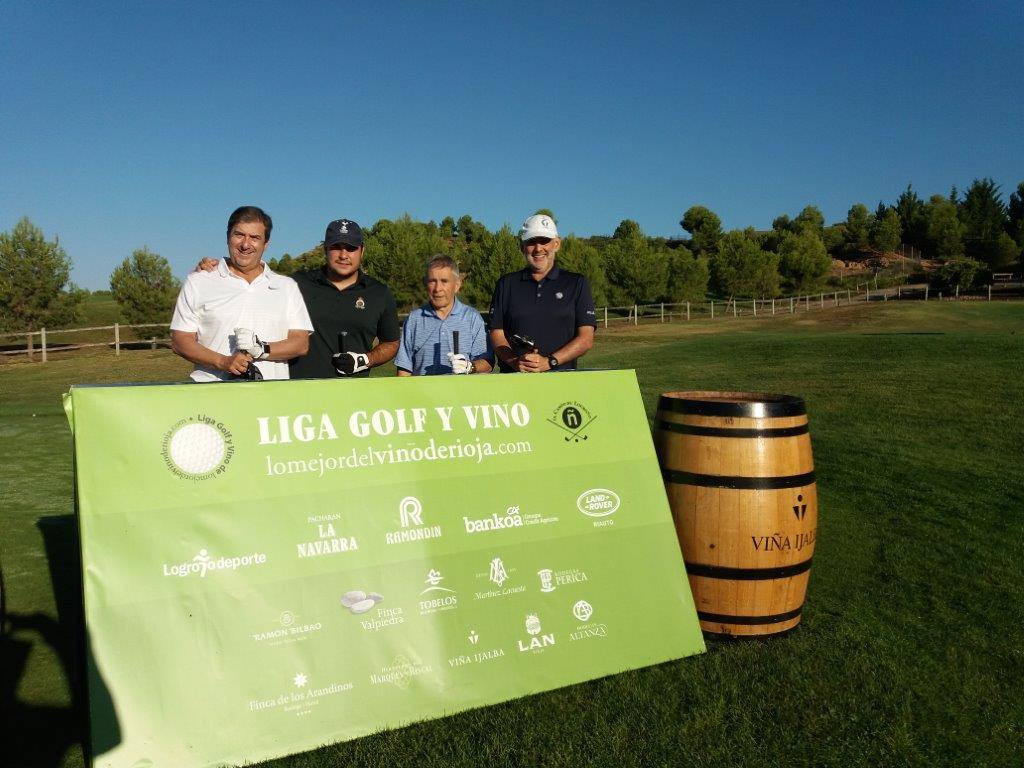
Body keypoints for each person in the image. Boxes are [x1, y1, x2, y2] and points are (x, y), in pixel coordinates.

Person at [195, 217, 400, 379]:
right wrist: (222, 269)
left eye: (351, 248)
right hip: (298, 395)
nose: (344, 255)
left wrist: (365, 360)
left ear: (362, 251)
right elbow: (255, 282)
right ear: (325, 250)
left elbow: (391, 343)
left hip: (355, 396)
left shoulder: (379, 293)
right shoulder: (297, 284)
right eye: (336, 247)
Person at [171, 206, 312, 382]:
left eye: (254, 238)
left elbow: (300, 343)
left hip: (271, 394)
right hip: (210, 393)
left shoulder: (286, 287)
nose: (245, 244)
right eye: (239, 235)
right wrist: (223, 362)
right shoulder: (199, 281)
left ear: (266, 244)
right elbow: (180, 341)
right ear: (228, 236)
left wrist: (262, 349)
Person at [489, 213, 596, 372]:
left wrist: (549, 362)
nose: (538, 248)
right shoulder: (506, 284)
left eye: (544, 241)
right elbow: (496, 333)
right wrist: (514, 362)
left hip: (562, 379)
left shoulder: (576, 283)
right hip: (514, 380)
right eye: (531, 242)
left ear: (557, 244)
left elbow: (586, 338)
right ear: (522, 247)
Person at [395, 255, 493, 376]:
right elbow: (404, 369)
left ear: (457, 285)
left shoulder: (472, 318)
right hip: (423, 389)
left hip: (461, 389)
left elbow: (487, 363)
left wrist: (469, 367)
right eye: (432, 281)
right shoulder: (414, 320)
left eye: (444, 281)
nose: (437, 288)